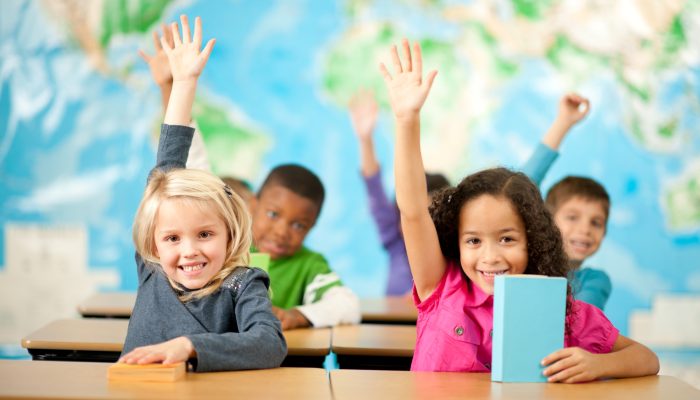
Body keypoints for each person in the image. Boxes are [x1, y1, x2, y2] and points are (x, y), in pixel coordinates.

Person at [380, 39, 659, 381]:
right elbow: (413, 213)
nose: (491, 256)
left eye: (507, 239)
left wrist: (598, 363)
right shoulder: (440, 285)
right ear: (457, 241)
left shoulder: (562, 310)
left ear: (534, 240)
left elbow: (646, 359)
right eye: (473, 241)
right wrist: (407, 120)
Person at [120, 15, 286, 372]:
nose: (189, 250)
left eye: (206, 234)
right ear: (153, 243)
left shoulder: (243, 282)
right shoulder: (153, 269)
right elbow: (168, 165)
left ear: (230, 232)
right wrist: (179, 83)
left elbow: (270, 343)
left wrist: (189, 347)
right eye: (172, 238)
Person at [349, 89, 449, 295]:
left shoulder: (455, 257)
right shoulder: (395, 241)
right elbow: (374, 189)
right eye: (408, 213)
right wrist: (365, 140)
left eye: (430, 214)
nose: (418, 221)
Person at [522, 94, 612, 310]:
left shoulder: (594, 281)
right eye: (572, 217)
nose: (585, 229)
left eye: (596, 222)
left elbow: (580, 325)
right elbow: (521, 189)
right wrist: (563, 123)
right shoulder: (525, 264)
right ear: (547, 221)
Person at [250, 164, 361, 330]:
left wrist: (296, 316)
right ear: (253, 205)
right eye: (273, 214)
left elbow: (349, 306)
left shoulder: (309, 265)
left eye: (298, 225)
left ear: (312, 226)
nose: (281, 232)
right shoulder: (226, 252)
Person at [139, 22, 211, 171]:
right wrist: (175, 84)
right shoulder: (202, 187)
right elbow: (187, 167)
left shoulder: (197, 187)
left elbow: (181, 170)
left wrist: (177, 84)